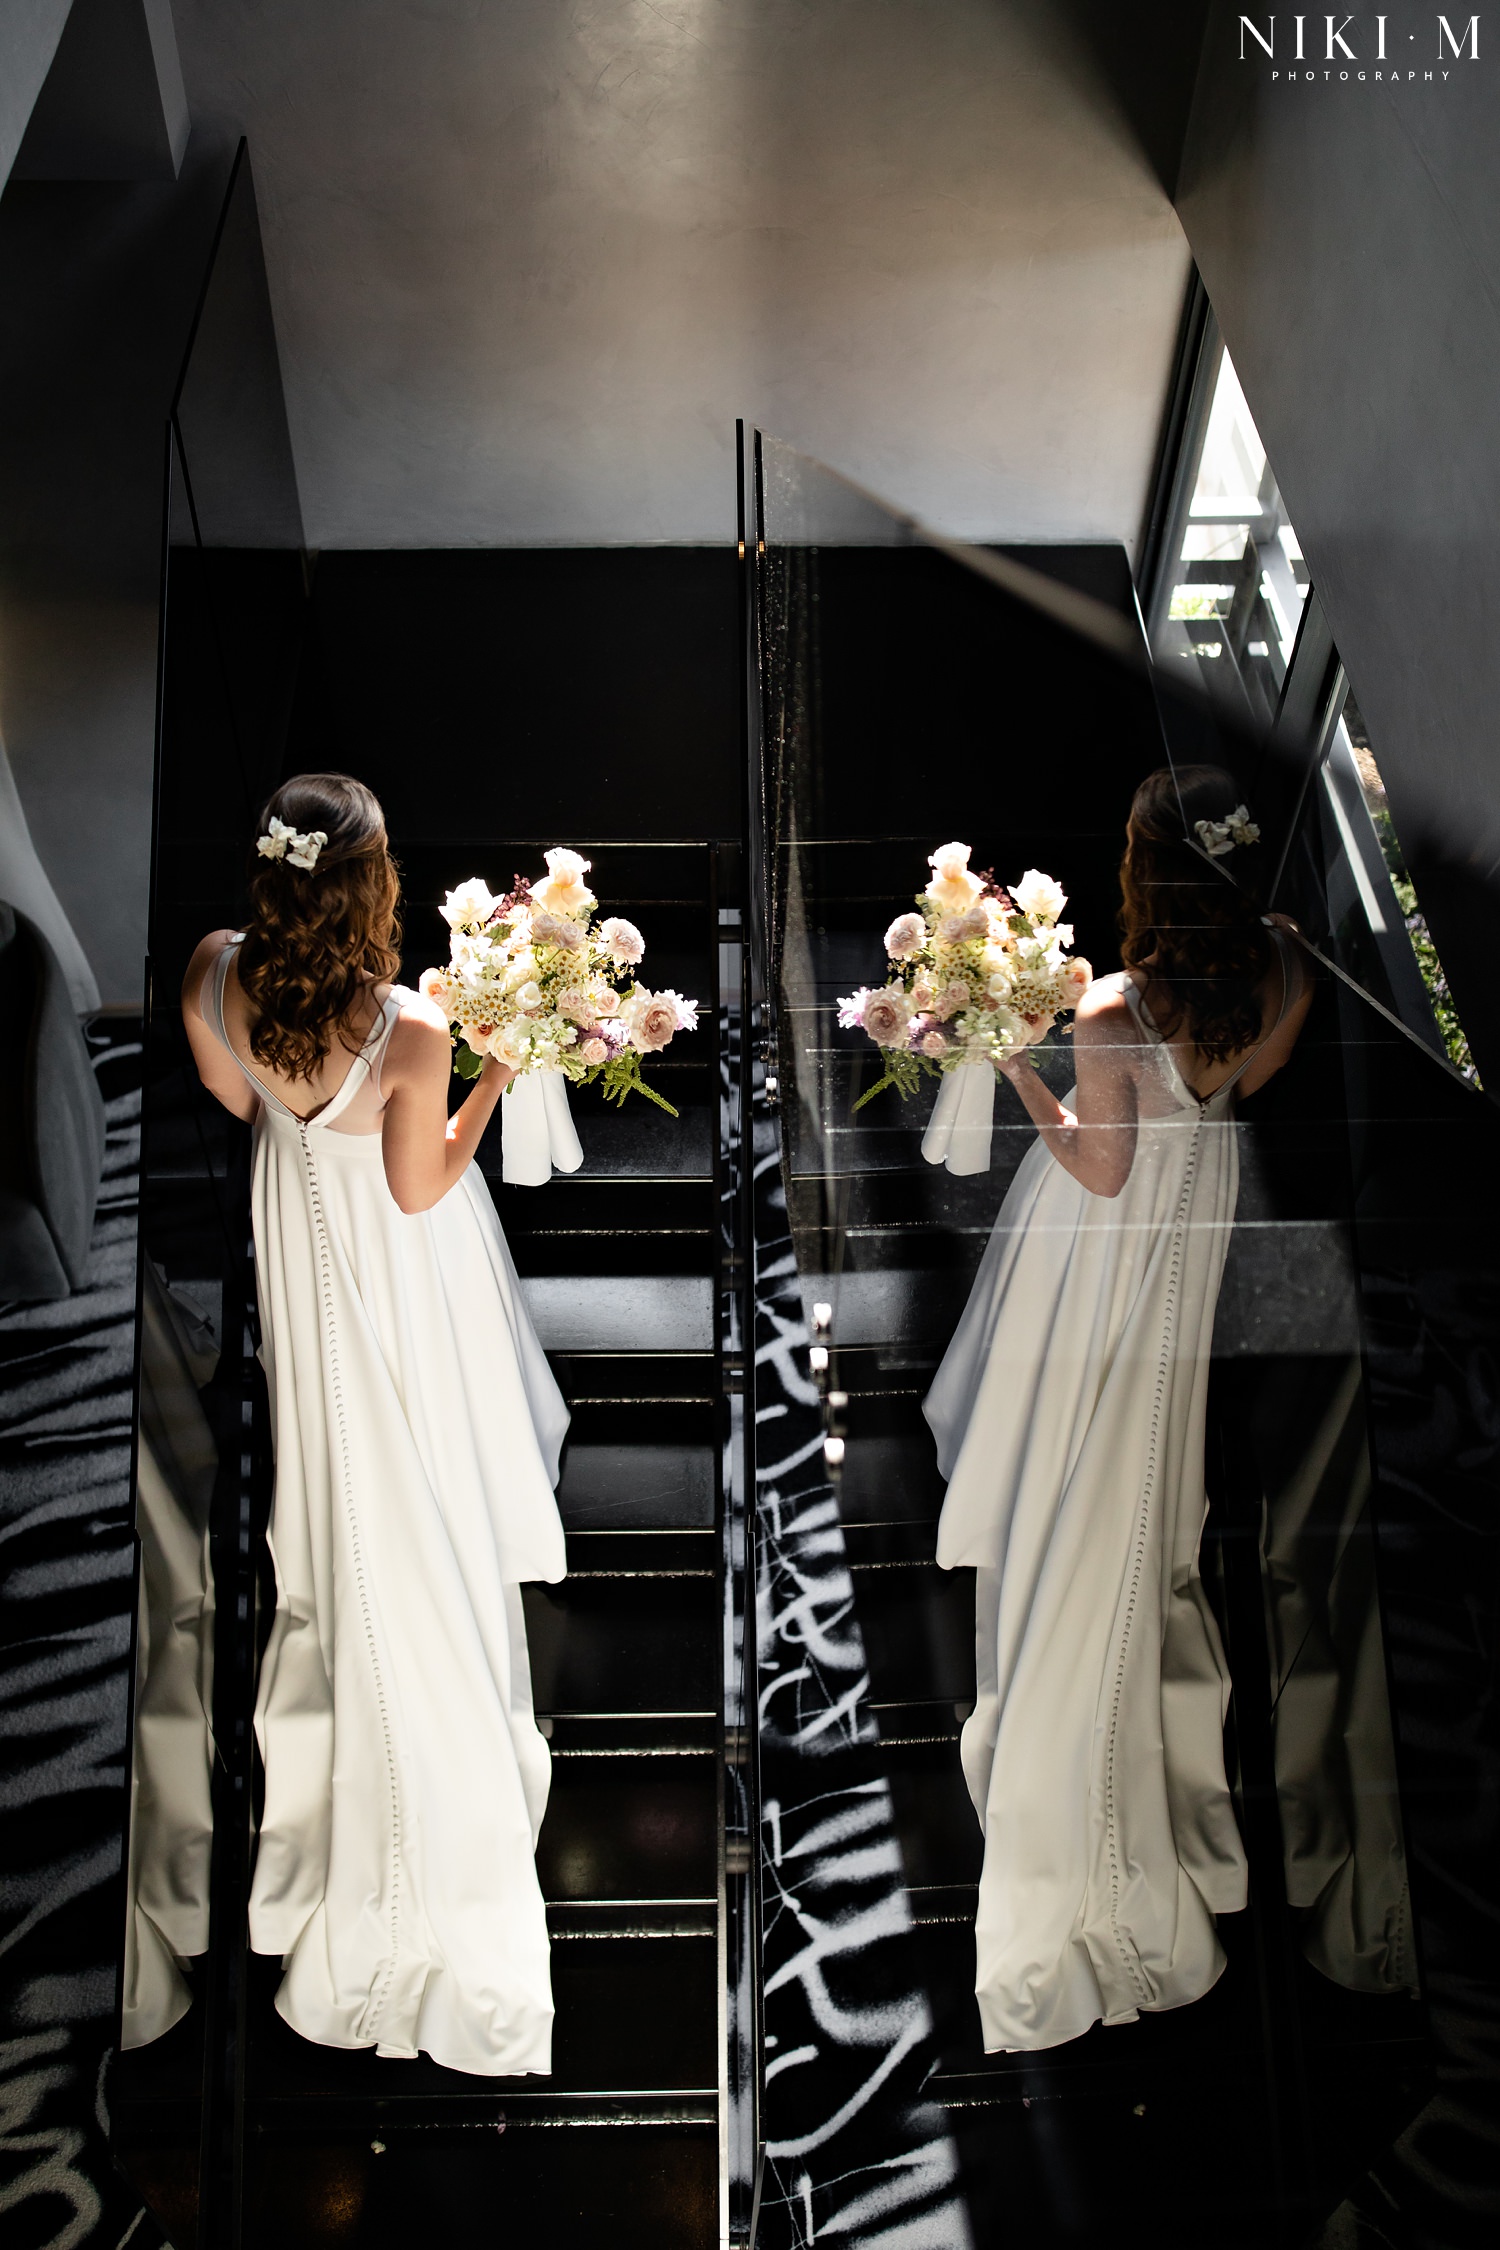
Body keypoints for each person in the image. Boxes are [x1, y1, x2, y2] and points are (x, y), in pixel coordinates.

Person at [182, 773, 568, 2076]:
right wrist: (494, 1069)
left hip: (303, 1286)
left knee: (337, 1515)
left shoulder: (211, 977)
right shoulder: (399, 1026)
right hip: (395, 1293)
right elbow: (422, 1185)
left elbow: (249, 1115)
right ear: (368, 885)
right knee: (421, 1494)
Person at [924, 764, 1313, 2054]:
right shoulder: (1279, 978)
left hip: (1107, 1257)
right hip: (1193, 1246)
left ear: (1149, 875)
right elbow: (1242, 1092)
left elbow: (1097, 1169)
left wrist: (1021, 1064)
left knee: (1086, 1448)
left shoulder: (1109, 1008)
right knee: (1156, 1461)